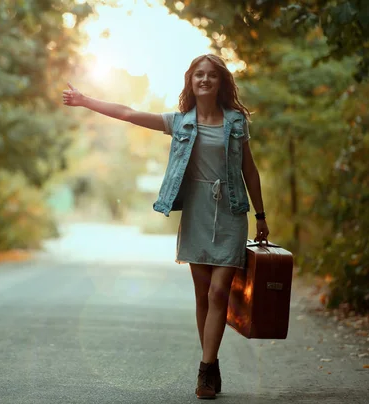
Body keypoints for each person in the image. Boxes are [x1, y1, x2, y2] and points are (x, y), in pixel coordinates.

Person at [63, 54, 270, 400]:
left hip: (232, 210)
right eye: (198, 75)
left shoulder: (236, 123)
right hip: (197, 213)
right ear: (191, 82)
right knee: (202, 295)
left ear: (221, 83)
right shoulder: (180, 122)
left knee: (220, 292)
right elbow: (128, 114)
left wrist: (261, 215)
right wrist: (85, 101)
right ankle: (212, 362)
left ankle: (204, 371)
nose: (204, 80)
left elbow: (250, 170)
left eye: (211, 76)